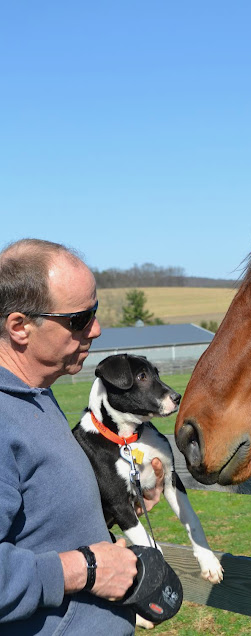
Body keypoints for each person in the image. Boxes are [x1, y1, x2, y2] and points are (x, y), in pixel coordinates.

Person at [0, 238, 164, 635]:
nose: (96, 328)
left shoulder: (37, 397)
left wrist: (118, 500)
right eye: (79, 319)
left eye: (95, 310)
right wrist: (86, 570)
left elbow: (42, 520)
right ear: (20, 327)